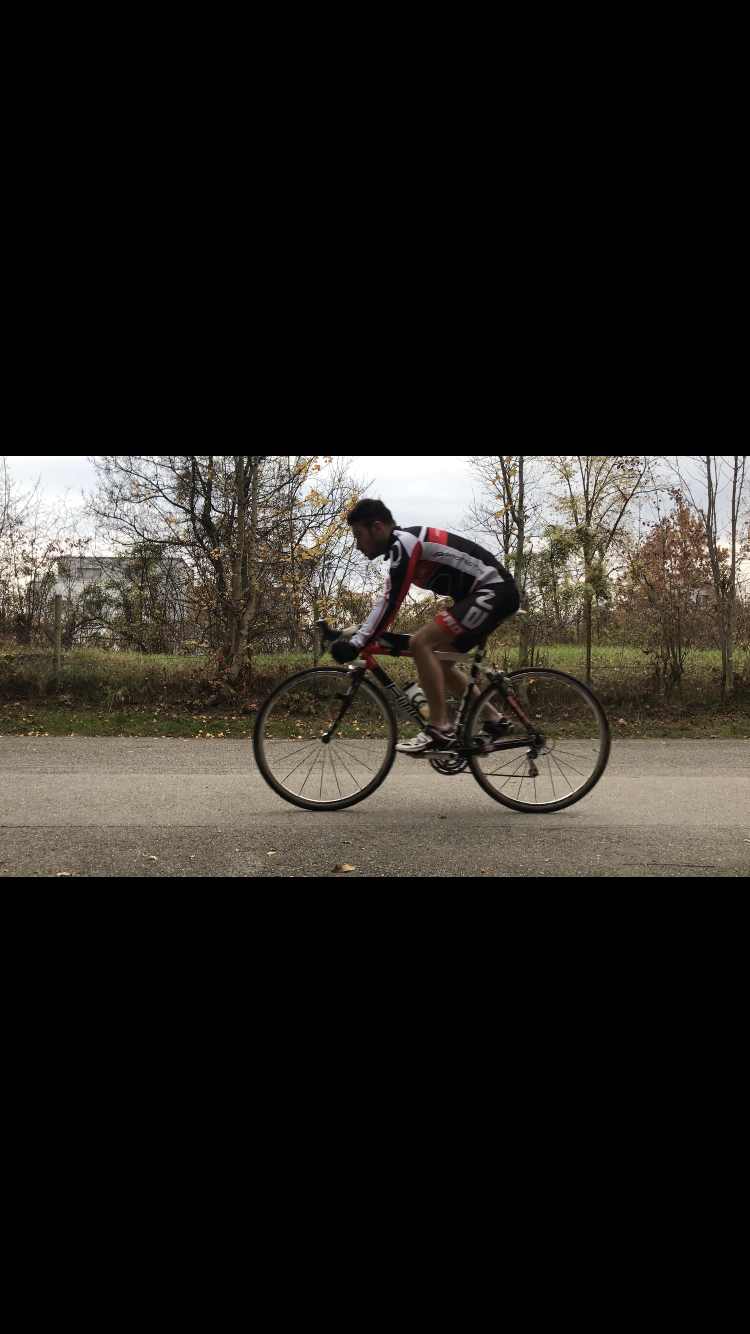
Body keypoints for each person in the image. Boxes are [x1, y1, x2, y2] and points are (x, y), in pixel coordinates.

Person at [330, 499, 520, 752]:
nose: (357, 545)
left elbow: (391, 601)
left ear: (377, 528)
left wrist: (357, 644)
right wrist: (360, 634)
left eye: (358, 535)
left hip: (494, 590)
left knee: (421, 643)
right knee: (440, 663)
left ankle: (439, 728)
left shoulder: (405, 543)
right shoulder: (402, 549)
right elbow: (385, 601)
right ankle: (495, 721)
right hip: (485, 594)